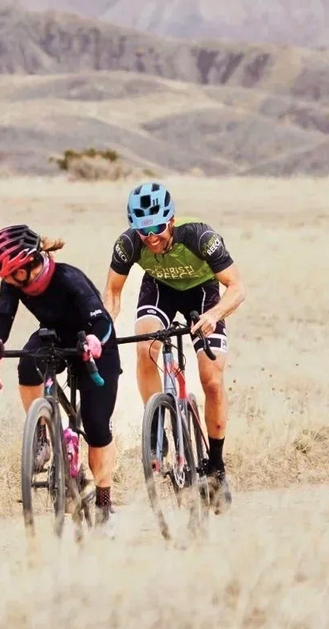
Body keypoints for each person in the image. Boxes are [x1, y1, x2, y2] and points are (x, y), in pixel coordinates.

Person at [102, 181, 247, 510]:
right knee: (144, 348)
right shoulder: (128, 245)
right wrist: (104, 326)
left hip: (203, 293)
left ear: (171, 220)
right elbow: (112, 292)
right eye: (142, 230)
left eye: (156, 227)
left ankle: (216, 466)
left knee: (211, 380)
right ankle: (156, 429)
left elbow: (236, 287)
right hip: (160, 290)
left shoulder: (200, 237)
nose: (150, 237)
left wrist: (214, 315)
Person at [0, 224, 122, 524]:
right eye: (2, 276)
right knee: (27, 363)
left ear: (30, 263)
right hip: (55, 336)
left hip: (95, 341)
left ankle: (104, 504)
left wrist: (96, 341)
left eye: (10, 273)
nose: (6, 280)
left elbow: (102, 321)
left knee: (97, 428)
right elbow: (3, 318)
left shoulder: (67, 278)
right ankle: (43, 437)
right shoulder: (13, 282)